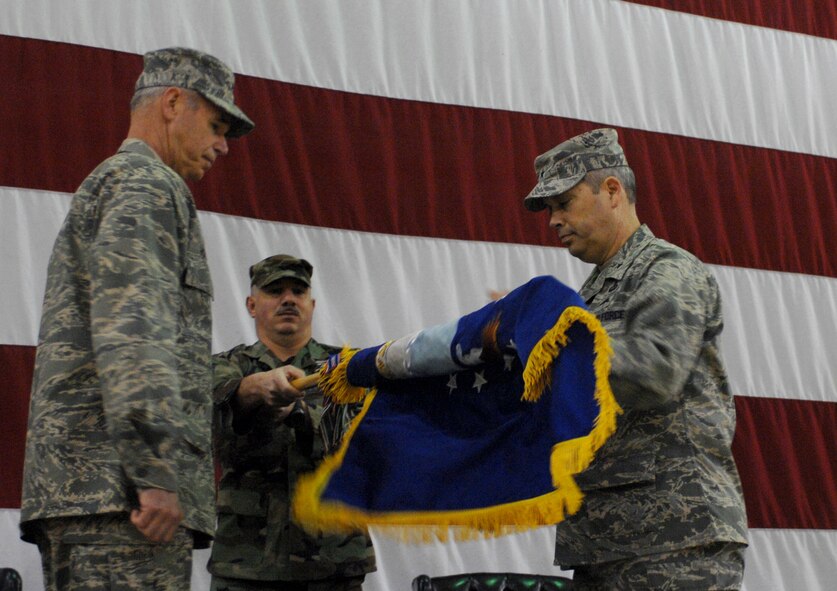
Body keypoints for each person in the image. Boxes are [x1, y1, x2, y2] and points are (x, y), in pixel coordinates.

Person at [19, 47, 262, 590]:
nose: (223, 145)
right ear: (174, 103)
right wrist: (153, 475)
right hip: (126, 505)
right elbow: (134, 334)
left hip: (94, 495)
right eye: (217, 124)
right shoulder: (148, 186)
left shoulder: (117, 183)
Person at [523, 128, 748, 589]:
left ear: (611, 191)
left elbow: (655, 370)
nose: (553, 221)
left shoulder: (666, 270)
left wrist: (550, 349)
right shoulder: (591, 293)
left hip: (673, 540)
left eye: (563, 203)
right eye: (550, 210)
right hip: (606, 541)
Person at [210, 254, 376, 591]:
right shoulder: (225, 366)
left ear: (312, 305)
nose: (288, 299)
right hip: (246, 563)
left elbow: (368, 442)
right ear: (252, 305)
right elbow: (214, 428)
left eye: (298, 292)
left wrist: (301, 415)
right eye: (275, 291)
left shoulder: (350, 370)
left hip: (333, 560)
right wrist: (257, 390)